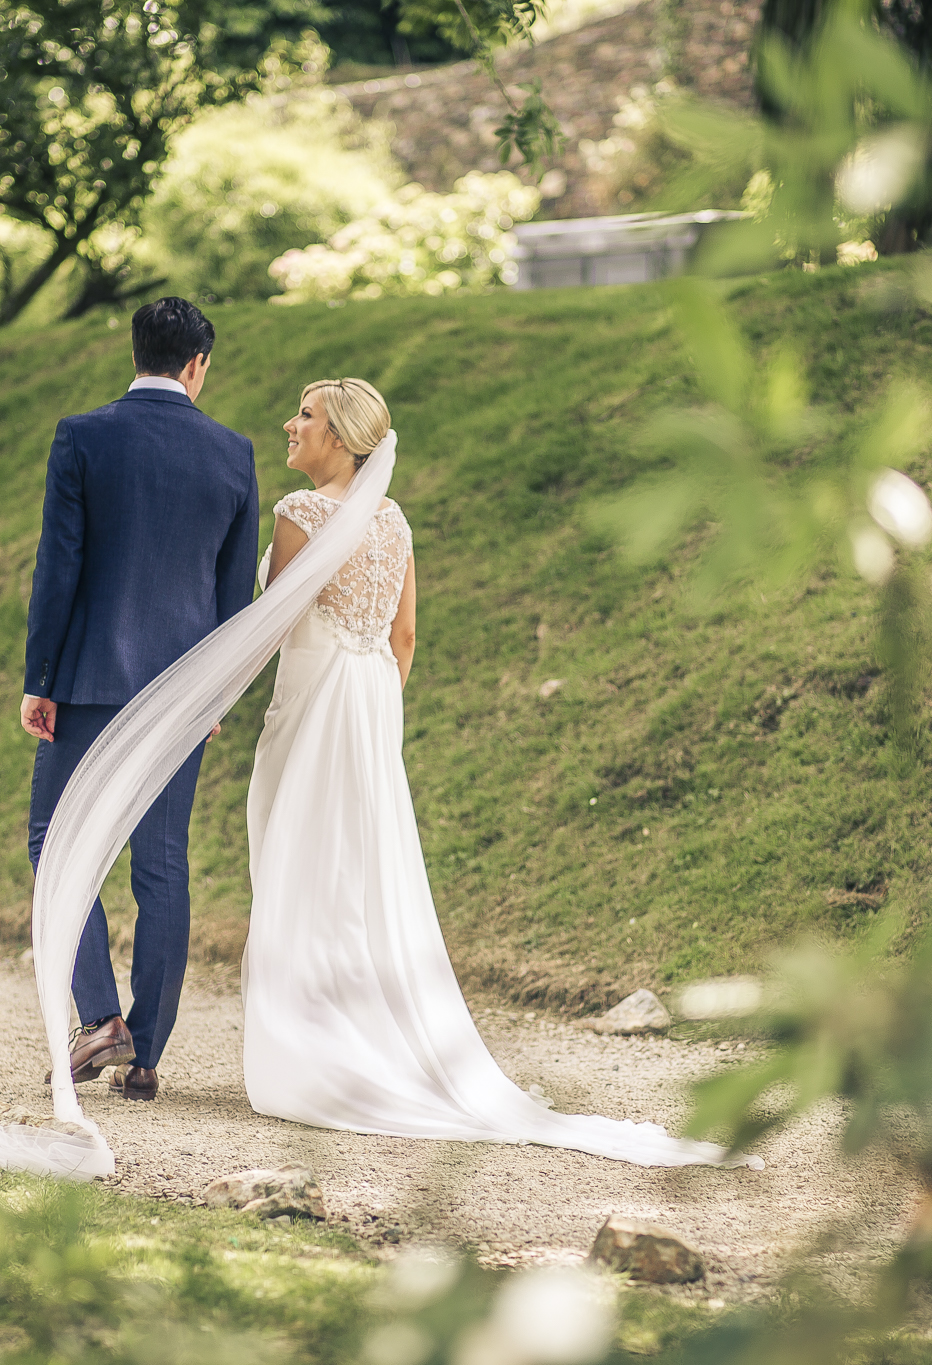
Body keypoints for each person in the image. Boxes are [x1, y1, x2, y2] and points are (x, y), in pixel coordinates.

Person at [239, 378, 757, 1168]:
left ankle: (314, 1048)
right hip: (371, 705)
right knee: (366, 876)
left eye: (305, 416)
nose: (291, 423)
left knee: (300, 861)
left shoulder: (297, 515)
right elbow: (404, 636)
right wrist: (376, 714)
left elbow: (272, 627)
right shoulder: (394, 520)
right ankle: (370, 1040)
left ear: (339, 436)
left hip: (314, 706)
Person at [20, 296, 258, 1103]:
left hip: (88, 679)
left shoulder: (83, 436)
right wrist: (216, 691)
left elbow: (59, 567)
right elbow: (235, 597)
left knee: (58, 841)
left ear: (137, 353)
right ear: (198, 365)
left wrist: (39, 678)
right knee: (160, 867)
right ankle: (146, 1052)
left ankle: (100, 1019)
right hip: (182, 692)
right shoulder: (233, 453)